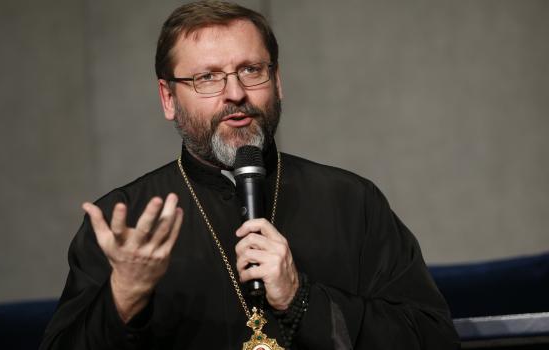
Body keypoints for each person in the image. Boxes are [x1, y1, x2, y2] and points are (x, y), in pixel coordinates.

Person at [40, 1, 460, 349]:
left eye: (251, 70)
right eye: (207, 78)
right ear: (169, 98)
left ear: (276, 82)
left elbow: (435, 339)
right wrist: (124, 297)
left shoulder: (352, 201)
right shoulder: (123, 220)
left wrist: (302, 299)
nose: (235, 93)